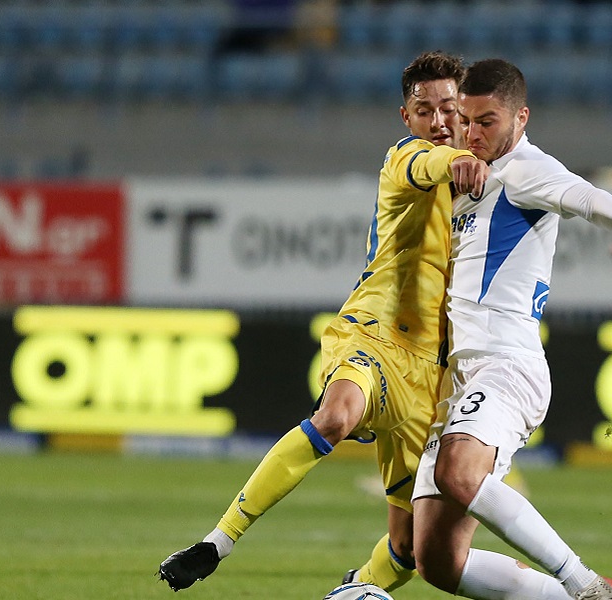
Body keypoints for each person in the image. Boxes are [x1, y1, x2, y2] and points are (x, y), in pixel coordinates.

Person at [157, 51, 490, 592]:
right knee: (335, 416)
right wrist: (454, 160)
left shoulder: (486, 185)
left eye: (449, 109)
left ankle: (354, 587)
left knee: (410, 548)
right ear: (406, 117)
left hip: (431, 375)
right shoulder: (407, 159)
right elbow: (428, 164)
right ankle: (218, 541)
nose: (438, 121)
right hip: (375, 334)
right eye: (424, 110)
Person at [411, 58, 612, 600]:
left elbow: (584, 195)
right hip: (459, 376)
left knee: (459, 472)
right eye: (466, 120)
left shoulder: (526, 169)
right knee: (436, 559)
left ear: (521, 118)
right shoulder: (462, 171)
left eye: (487, 122)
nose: (472, 133)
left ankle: (584, 583)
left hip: (505, 365)